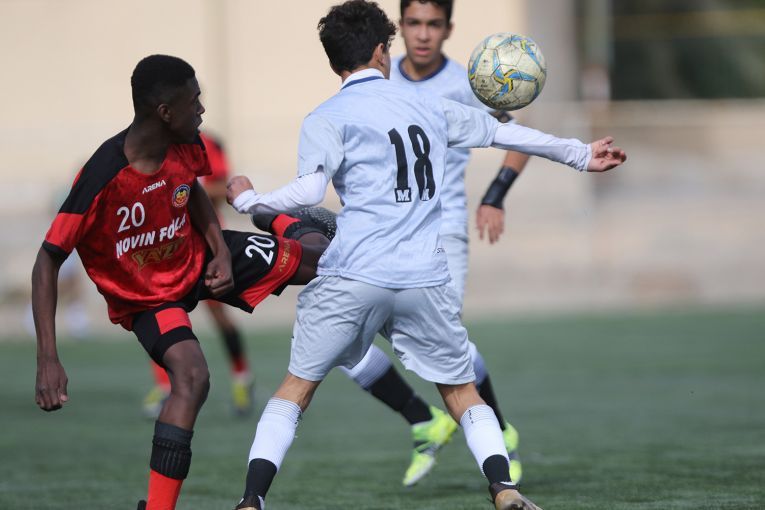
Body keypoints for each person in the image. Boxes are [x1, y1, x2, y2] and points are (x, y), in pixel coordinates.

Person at [226, 1, 625, 509]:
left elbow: (308, 190)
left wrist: (248, 199)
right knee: (461, 393)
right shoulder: (429, 106)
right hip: (423, 277)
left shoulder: (326, 116)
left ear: (333, 63)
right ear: (381, 52)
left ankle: (252, 500)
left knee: (296, 389)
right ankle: (504, 488)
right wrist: (581, 154)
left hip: (355, 272)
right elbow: (505, 133)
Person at [31, 54, 329, 510]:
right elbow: (47, 260)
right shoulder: (101, 176)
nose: (202, 110)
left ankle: (282, 219)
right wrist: (48, 358)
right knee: (192, 377)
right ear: (165, 112)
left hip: (199, 256)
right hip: (149, 298)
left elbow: (194, 195)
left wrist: (221, 250)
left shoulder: (185, 143)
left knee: (327, 260)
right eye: (195, 102)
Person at [143, 132, 255, 418]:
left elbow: (222, 188)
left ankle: (241, 377)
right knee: (161, 311)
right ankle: (165, 386)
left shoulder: (207, 142)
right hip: (168, 241)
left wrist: (191, 184)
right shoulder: (152, 141)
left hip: (206, 240)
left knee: (219, 314)